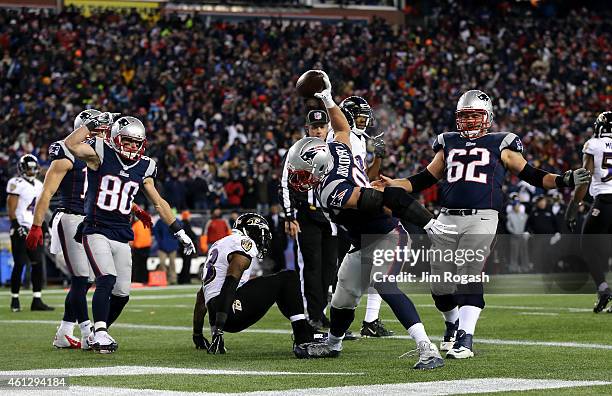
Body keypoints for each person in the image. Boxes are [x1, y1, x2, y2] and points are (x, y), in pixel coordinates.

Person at [377, 90, 590, 359]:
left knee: (469, 269)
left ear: (488, 117)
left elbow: (532, 174)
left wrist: (564, 180)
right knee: (440, 286)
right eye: (464, 116)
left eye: (474, 116)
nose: (468, 122)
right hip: (446, 217)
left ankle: (465, 338)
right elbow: (423, 179)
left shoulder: (502, 143)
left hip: (482, 216)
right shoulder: (448, 142)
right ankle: (452, 323)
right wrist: (395, 183)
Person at [286, 71, 456, 369]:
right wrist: (326, 97)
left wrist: (430, 226)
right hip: (360, 241)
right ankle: (333, 344)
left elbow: (387, 198)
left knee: (384, 283)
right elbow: (340, 128)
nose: (300, 179)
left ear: (318, 166)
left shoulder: (331, 190)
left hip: (388, 234)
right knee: (342, 298)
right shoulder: (336, 151)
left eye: (302, 172)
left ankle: (427, 348)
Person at [64, 112, 195, 353]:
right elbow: (70, 144)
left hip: (122, 234)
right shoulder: (101, 153)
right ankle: (101, 332)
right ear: (115, 138)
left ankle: (96, 333)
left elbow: (158, 202)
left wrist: (179, 231)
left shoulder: (145, 166)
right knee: (106, 278)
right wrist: (92, 125)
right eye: (128, 140)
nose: (133, 146)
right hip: (96, 228)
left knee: (123, 293)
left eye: (137, 142)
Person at [192, 213, 333, 358]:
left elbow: (201, 297)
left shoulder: (220, 244)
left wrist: (198, 334)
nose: (261, 239)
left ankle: (305, 329)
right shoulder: (243, 242)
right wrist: (218, 331)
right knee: (288, 277)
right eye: (260, 233)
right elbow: (229, 284)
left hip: (219, 312)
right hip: (229, 312)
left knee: (278, 285)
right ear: (249, 230)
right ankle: (302, 334)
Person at [332, 96, 393, 338]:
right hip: (340, 206)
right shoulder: (341, 139)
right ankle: (335, 321)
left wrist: (378, 158)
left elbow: (365, 178)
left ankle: (369, 320)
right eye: (359, 118)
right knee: (345, 267)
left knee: (375, 264)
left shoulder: (357, 140)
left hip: (355, 203)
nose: (364, 123)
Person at [280, 109, 338, 331]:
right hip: (307, 214)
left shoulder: (335, 149)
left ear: (327, 128)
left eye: (322, 126)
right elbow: (285, 183)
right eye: (314, 127)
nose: (319, 130)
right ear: (308, 128)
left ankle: (321, 313)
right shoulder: (298, 150)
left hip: (332, 217)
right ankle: (311, 316)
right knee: (310, 267)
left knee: (330, 270)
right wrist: (289, 215)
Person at [565, 111, 612, 312]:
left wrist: (572, 209)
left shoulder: (594, 144)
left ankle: (603, 289)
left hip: (605, 201)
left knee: (588, 246)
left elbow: (585, 178)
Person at [7, 154, 52, 312]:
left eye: (34, 168)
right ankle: (14, 299)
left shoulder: (39, 185)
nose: (32, 171)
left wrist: (44, 226)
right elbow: (11, 206)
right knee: (19, 264)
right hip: (20, 227)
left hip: (34, 228)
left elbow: (41, 208)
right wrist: (15, 224)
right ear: (22, 169)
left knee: (37, 263)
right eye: (29, 168)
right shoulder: (16, 183)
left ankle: (37, 299)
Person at [153, 215, 179, 285]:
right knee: (162, 264)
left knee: (172, 263)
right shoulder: (160, 221)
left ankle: (172, 280)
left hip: (172, 245)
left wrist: (175, 240)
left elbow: (179, 230)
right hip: (162, 247)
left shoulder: (175, 221)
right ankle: (163, 279)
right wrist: (160, 241)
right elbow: (155, 232)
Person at [265, 204, 287, 273]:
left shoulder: (282, 219)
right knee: (273, 258)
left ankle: (282, 271)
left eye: (275, 208)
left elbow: (284, 232)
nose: (274, 209)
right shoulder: (267, 219)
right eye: (273, 208)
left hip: (281, 242)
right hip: (272, 242)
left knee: (281, 258)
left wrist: (285, 243)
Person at [178, 210, 198, 284]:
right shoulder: (186, 224)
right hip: (187, 247)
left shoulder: (182, 224)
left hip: (183, 247)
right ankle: (185, 279)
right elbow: (191, 235)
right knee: (187, 264)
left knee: (185, 263)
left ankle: (182, 279)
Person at [131, 217, 152, 284]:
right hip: (147, 247)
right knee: (144, 265)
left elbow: (132, 237)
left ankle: (137, 280)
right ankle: (145, 280)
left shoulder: (136, 225)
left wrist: (131, 247)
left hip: (138, 247)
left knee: (137, 265)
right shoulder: (146, 224)